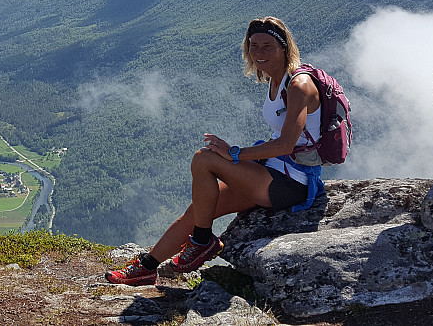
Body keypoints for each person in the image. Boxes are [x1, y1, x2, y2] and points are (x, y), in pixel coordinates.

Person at [105, 16, 326, 286]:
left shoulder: (298, 86)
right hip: (272, 172)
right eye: (253, 45)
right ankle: (147, 267)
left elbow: (286, 145)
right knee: (200, 211)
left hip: (292, 183)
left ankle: (201, 242)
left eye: (267, 46)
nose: (259, 53)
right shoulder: (276, 81)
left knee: (204, 159)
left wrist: (234, 153)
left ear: (284, 48)